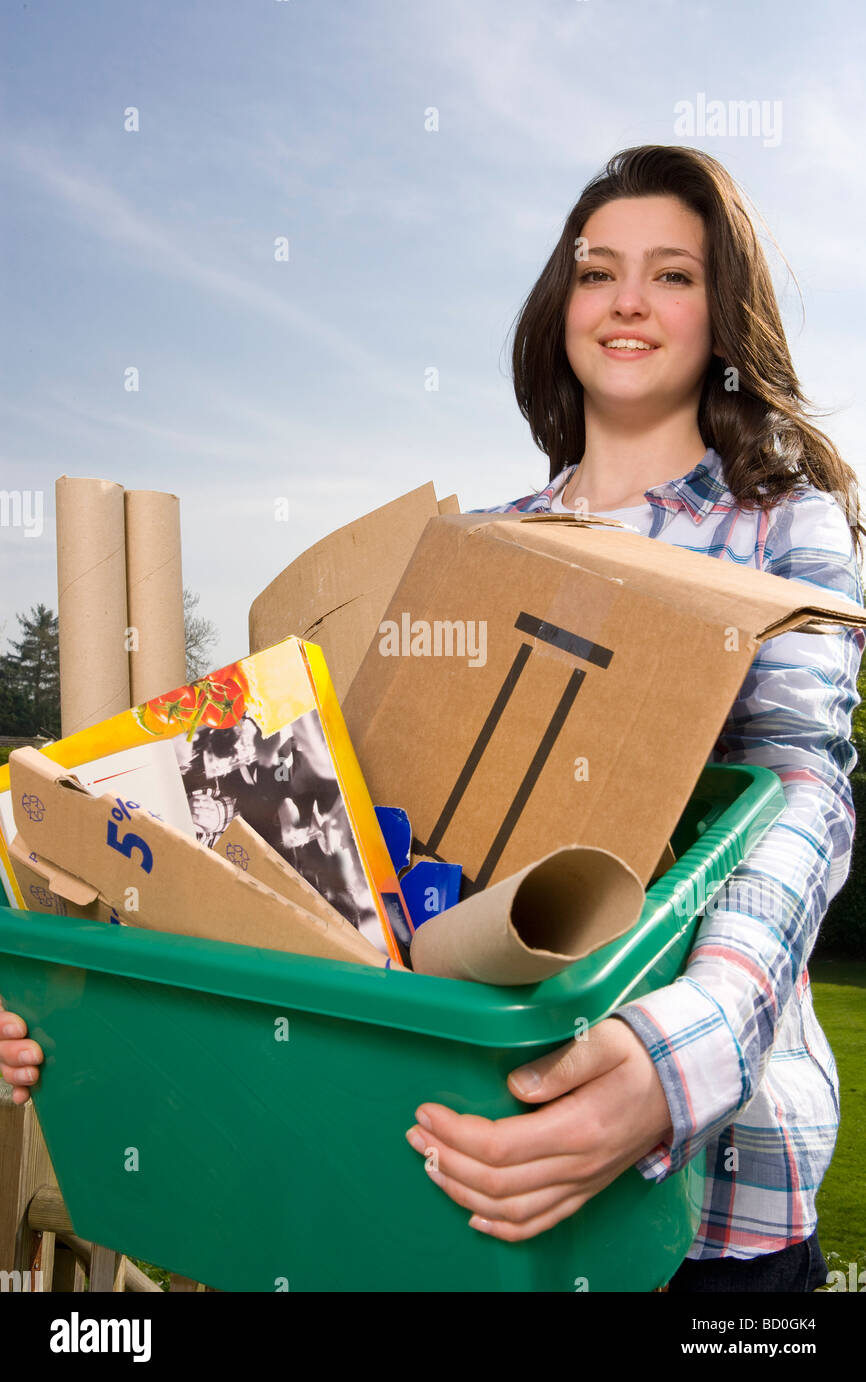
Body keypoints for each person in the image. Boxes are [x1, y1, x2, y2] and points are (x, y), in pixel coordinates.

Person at [2, 145, 863, 1294]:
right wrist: (79, 1002)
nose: (622, 301)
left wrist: (685, 1049)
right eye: (595, 269)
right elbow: (364, 851)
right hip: (460, 1165)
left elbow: (797, 792)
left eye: (670, 274)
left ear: (723, 308)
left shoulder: (779, 529)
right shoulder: (476, 550)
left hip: (713, 1207)